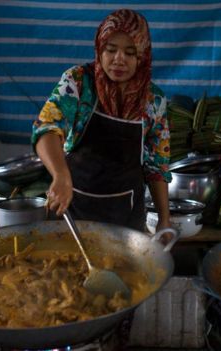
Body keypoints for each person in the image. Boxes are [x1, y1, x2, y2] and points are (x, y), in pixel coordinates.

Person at [31, 8, 171, 233]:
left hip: (126, 220)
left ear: (142, 56)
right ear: (99, 49)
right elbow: (46, 128)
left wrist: (165, 219)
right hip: (72, 211)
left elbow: (157, 165)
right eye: (111, 49)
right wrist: (60, 175)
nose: (119, 59)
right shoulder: (78, 82)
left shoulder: (153, 101)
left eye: (130, 52)